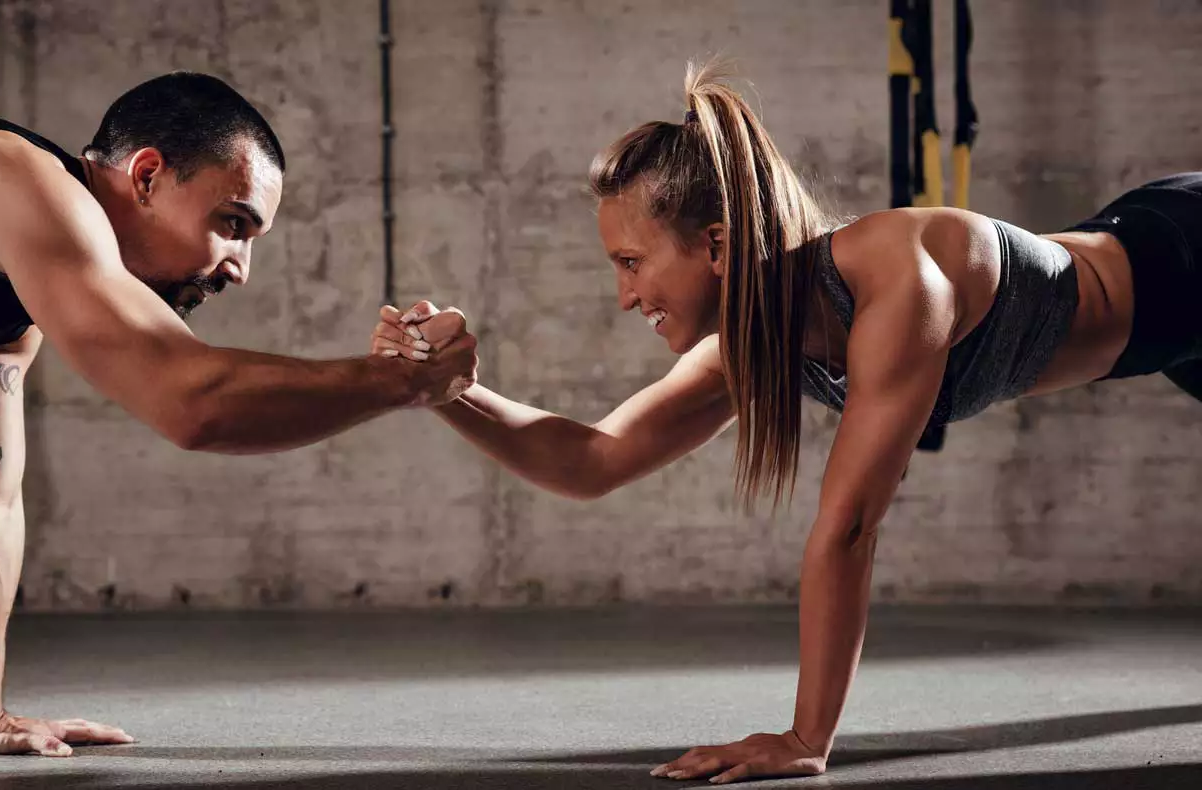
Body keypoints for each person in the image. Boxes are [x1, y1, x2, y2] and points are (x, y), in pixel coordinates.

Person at [372, 59, 1201, 784]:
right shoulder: (754, 337)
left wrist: (807, 739)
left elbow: (847, 528)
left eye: (632, 263)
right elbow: (593, 460)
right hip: (1164, 331)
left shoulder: (896, 278)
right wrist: (449, 391)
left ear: (720, 245)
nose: (624, 296)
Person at [0, 71, 477, 756]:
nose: (239, 269)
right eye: (233, 224)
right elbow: (191, 402)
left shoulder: (5, 306)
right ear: (145, 176)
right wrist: (397, 383)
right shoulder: (16, 182)